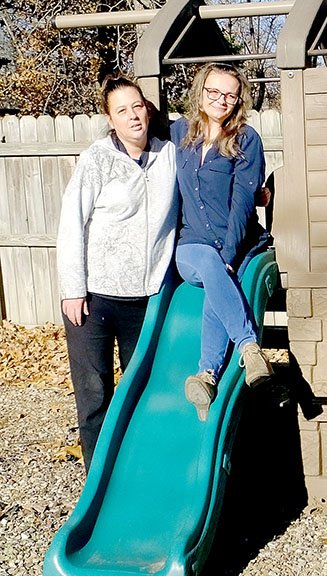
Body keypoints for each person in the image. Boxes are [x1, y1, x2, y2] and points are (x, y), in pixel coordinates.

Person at [56, 76, 178, 471]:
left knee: (141, 391)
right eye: (122, 110)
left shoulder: (169, 155)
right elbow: (71, 223)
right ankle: (97, 478)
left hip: (144, 299)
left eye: (137, 106)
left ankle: (136, 470)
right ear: (110, 119)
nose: (133, 116)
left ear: (148, 109)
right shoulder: (96, 159)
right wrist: (73, 289)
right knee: (94, 394)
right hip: (93, 298)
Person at [170, 62, 274, 421]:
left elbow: (243, 204)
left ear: (238, 99)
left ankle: (207, 375)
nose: (221, 100)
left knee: (220, 278)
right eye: (213, 91)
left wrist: (230, 253)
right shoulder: (177, 133)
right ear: (200, 91)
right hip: (191, 244)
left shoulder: (246, 139)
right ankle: (249, 347)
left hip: (237, 242)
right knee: (213, 267)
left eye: (229, 94)